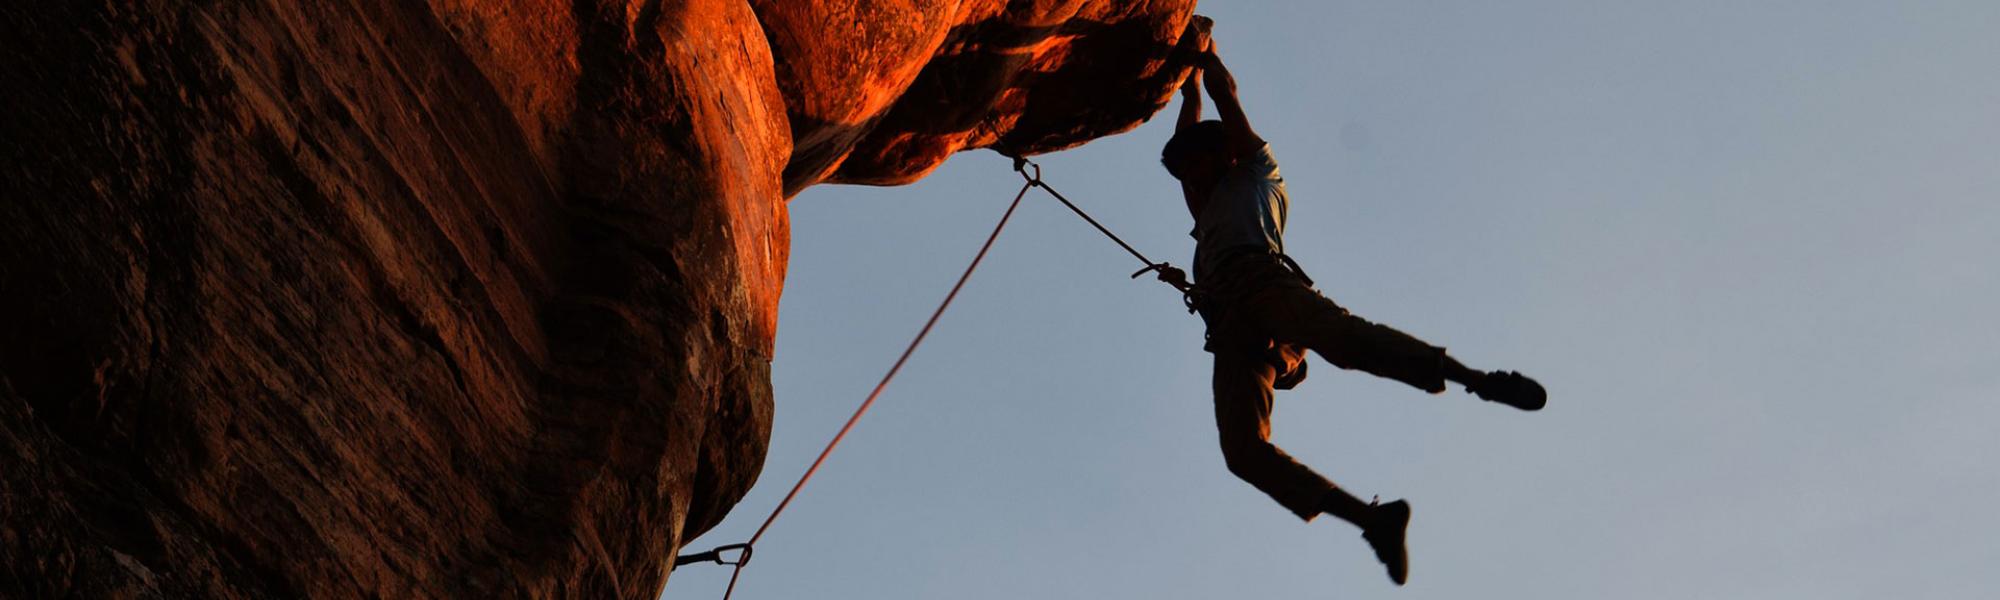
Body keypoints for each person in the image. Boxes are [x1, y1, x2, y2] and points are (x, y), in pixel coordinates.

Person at [1156, 25, 1547, 586]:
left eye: (1196, 165)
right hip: (1233, 323)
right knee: (1242, 452)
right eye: (1186, 170)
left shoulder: (1257, 172)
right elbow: (1192, 115)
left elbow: (1225, 96)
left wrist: (1204, 51)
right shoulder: (1206, 200)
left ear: (1221, 156)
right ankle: (1372, 519)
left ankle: (1477, 379)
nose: (1189, 179)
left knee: (1344, 342)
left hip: (1264, 285)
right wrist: (1185, 83)